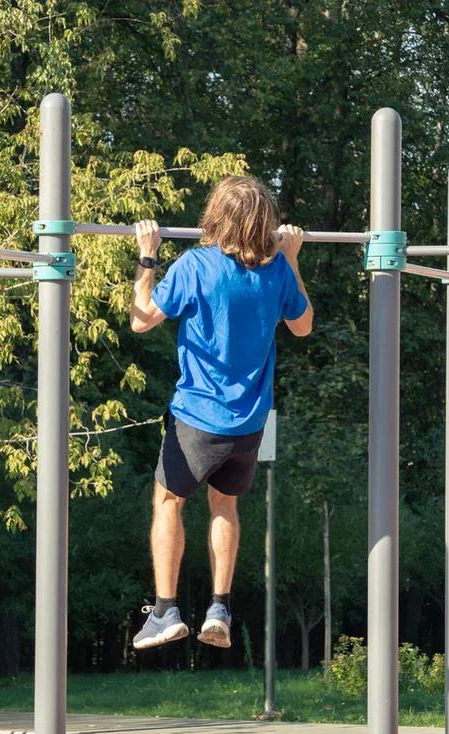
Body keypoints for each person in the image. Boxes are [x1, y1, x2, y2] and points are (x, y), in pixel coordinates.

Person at [128, 175, 314, 650]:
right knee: (224, 505)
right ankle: (219, 608)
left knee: (168, 502)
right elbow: (303, 326)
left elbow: (141, 319)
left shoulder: (196, 264)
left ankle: (165, 611)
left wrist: (147, 256)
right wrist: (291, 258)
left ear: (216, 217)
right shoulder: (276, 271)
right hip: (249, 424)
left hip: (198, 417)